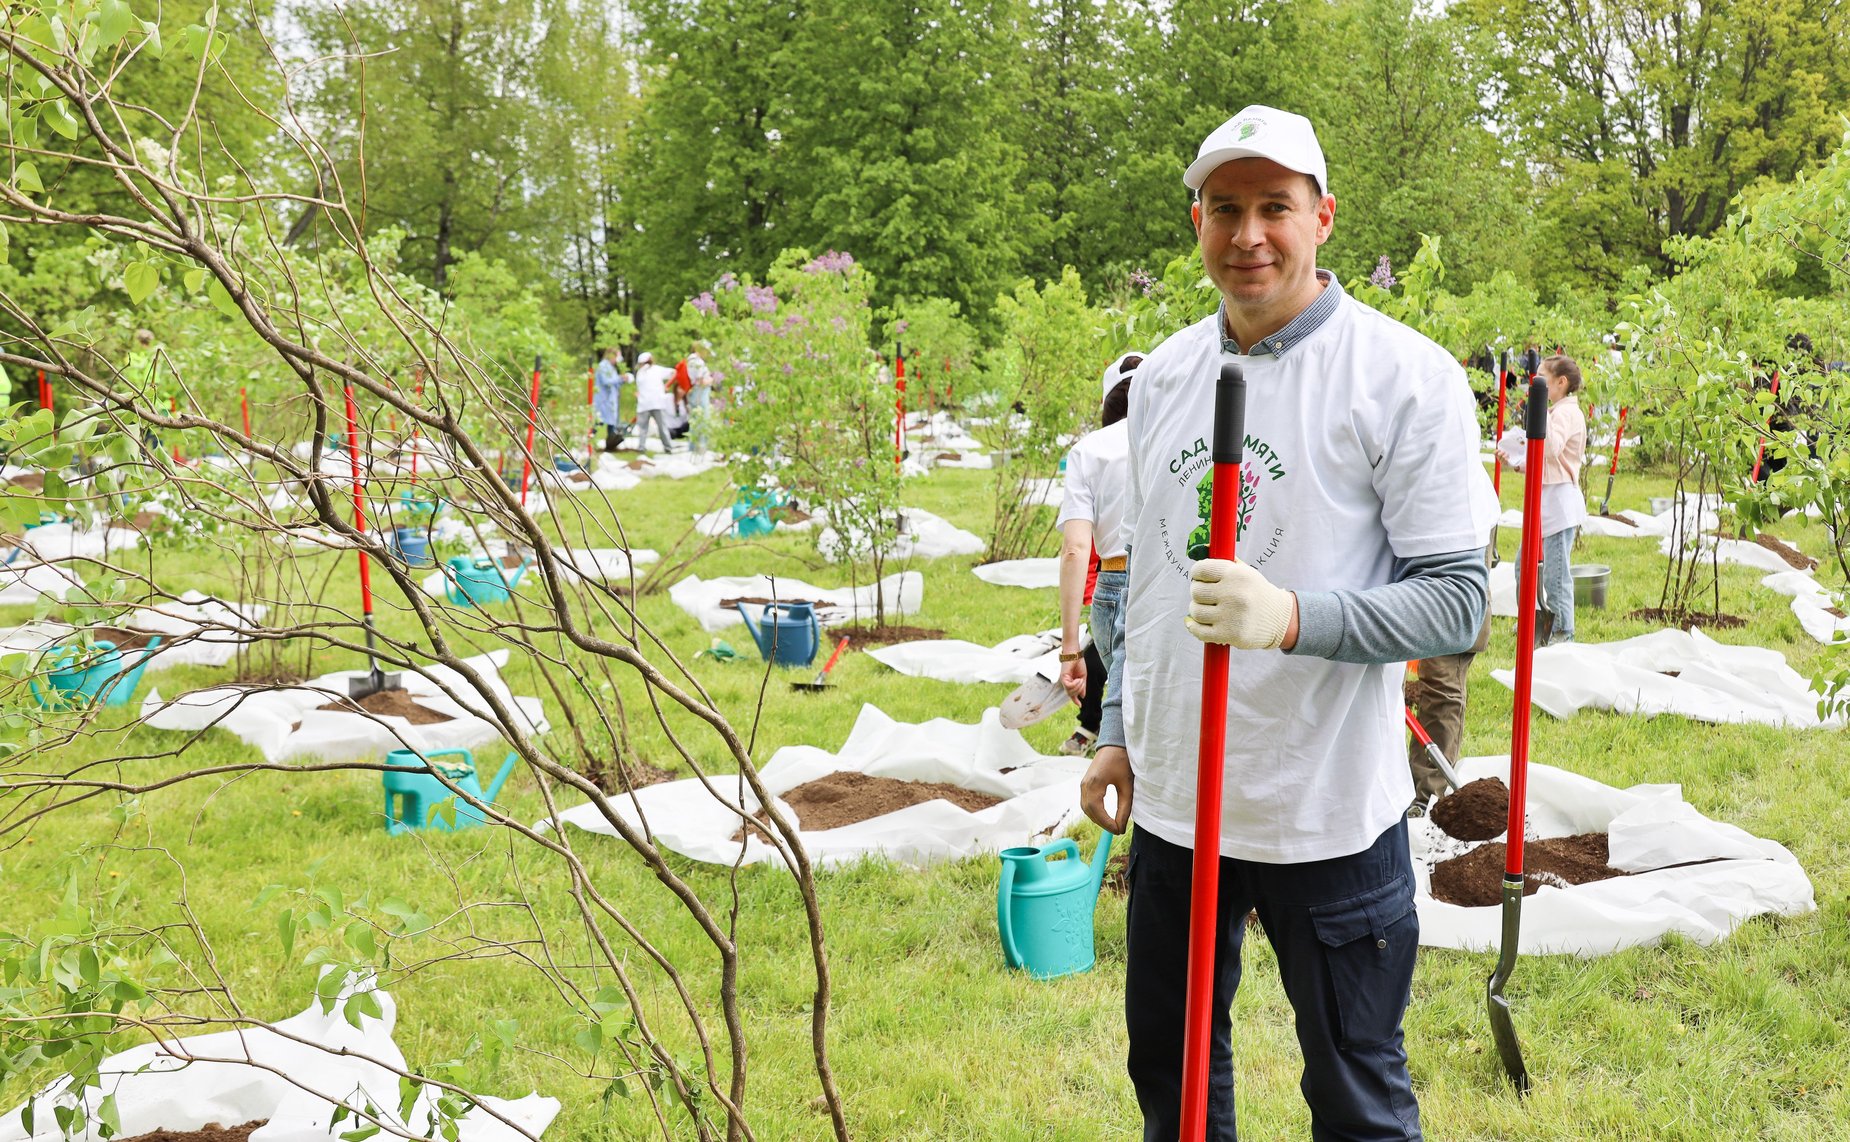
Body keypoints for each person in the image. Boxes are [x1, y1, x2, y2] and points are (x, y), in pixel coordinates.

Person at [1082, 105, 1497, 1141]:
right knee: (1172, 1080)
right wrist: (1115, 728)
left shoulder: (1402, 376)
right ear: (1194, 222)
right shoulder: (1165, 376)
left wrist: (1289, 617)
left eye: (1275, 206)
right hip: (1179, 808)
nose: (1248, 233)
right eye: (1225, 208)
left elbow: (1456, 597)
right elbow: (1148, 580)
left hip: (1325, 808)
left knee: (1355, 1090)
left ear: (1323, 217)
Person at [1055, 351, 1144, 757]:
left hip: (1115, 577)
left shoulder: (1089, 450)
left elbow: (1075, 549)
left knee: (1127, 709)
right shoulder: (1181, 439)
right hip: (1174, 577)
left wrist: (1071, 650)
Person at [1500, 354, 1586, 644]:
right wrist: (1516, 460)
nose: (1534, 384)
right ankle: (1531, 620)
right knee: (1523, 566)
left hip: (1559, 502)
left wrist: (1541, 415)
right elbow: (1543, 458)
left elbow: (1551, 449)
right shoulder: (1555, 411)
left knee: (1555, 574)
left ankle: (1563, 630)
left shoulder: (1564, 413)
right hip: (1544, 500)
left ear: (1560, 382)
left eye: (1541, 379)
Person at [632, 351, 677, 453]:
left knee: (643, 428)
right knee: (662, 427)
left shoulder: (640, 373)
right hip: (657, 403)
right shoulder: (657, 369)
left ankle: (641, 447)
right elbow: (674, 372)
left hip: (644, 404)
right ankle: (668, 447)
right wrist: (667, 385)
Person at [593, 348, 626, 452]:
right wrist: (620, 378)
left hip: (610, 401)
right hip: (603, 400)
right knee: (598, 422)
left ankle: (610, 446)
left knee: (611, 423)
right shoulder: (603, 366)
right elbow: (606, 381)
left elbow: (614, 383)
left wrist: (623, 380)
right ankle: (588, 442)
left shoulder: (612, 368)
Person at [685, 345, 714, 455]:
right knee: (703, 420)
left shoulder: (691, 361)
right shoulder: (698, 362)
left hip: (695, 391)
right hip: (700, 392)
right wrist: (712, 379)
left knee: (694, 421)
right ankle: (701, 447)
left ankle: (692, 447)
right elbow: (701, 381)